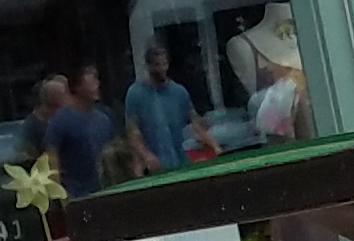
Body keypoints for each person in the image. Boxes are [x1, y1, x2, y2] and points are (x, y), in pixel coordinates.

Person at [23, 72, 117, 198]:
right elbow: (52, 158)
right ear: (77, 87)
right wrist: (60, 195)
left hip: (105, 191)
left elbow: (113, 154)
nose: (97, 85)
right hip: (76, 195)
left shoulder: (104, 119)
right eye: (91, 82)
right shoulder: (60, 121)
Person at [122, 45, 213, 174]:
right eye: (157, 65)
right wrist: (146, 155)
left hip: (181, 162)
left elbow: (195, 121)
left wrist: (213, 145)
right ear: (148, 66)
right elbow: (132, 131)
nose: (162, 69)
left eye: (164, 64)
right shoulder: (135, 93)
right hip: (153, 166)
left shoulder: (179, 92)